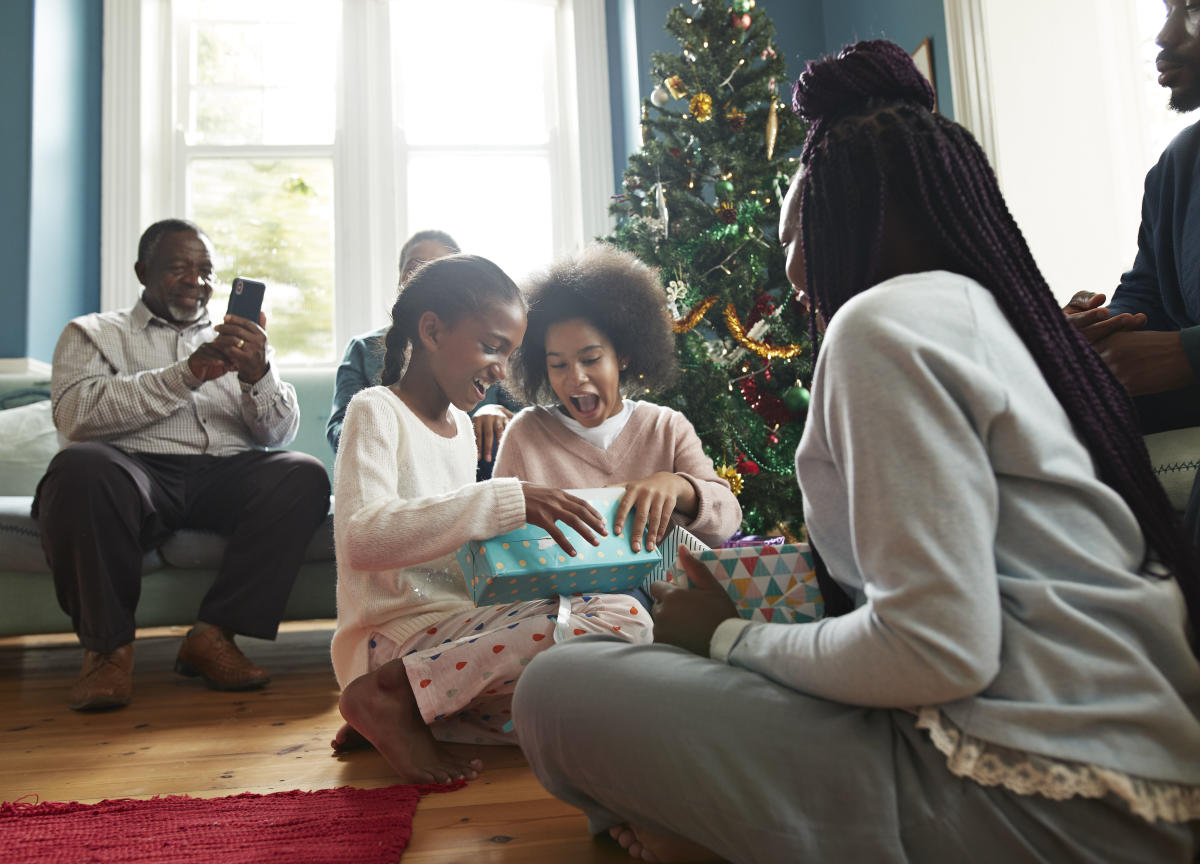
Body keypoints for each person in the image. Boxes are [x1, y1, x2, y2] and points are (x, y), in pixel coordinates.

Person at [511, 41, 1200, 863]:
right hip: (1137, 778)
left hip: (1039, 802)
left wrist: (728, 638)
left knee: (556, 690)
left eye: (795, 235)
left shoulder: (879, 327)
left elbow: (933, 649)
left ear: (845, 217)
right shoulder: (982, 311)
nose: (793, 272)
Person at [329, 253, 653, 785]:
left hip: (457, 640)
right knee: (612, 620)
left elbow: (452, 547)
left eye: (510, 354)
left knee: (606, 667)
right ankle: (389, 695)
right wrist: (504, 501)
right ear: (431, 330)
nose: (502, 370)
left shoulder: (460, 429)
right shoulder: (375, 410)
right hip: (391, 641)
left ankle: (411, 714)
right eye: (491, 347)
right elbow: (364, 540)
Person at [34, 218, 331, 712]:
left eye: (207, 270)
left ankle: (214, 636)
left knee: (301, 472)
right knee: (80, 468)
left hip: (225, 473)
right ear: (142, 270)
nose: (197, 280)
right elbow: (76, 416)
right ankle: (107, 651)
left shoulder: (242, 339)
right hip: (132, 471)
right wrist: (189, 373)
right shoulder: (92, 333)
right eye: (179, 268)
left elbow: (278, 433)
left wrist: (259, 374)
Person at [493, 244, 741, 588]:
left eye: (591, 359)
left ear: (622, 356)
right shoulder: (526, 435)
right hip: (564, 612)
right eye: (558, 365)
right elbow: (499, 537)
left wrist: (679, 486)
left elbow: (727, 518)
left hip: (668, 607)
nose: (575, 377)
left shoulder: (666, 427)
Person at [1063, 0, 1200, 434]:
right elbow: (1148, 299)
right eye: (1168, 8)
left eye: (1194, 8)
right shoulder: (1176, 168)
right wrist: (1096, 333)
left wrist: (1186, 354)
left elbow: (1176, 349)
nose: (1164, 36)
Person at [325, 229, 520, 478]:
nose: (428, 281)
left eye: (440, 273)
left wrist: (496, 414)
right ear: (400, 282)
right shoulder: (363, 352)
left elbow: (528, 427)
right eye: (414, 270)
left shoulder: (490, 352)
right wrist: (410, 431)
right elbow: (340, 435)